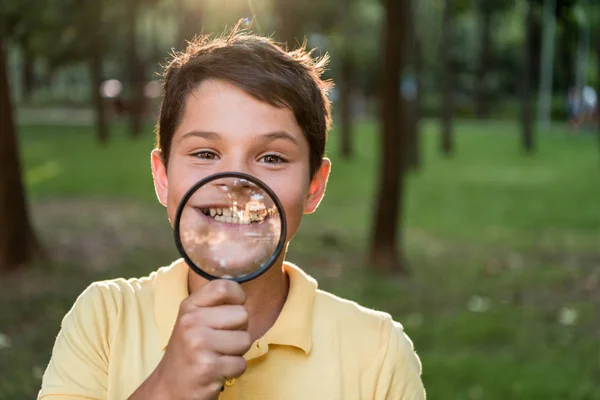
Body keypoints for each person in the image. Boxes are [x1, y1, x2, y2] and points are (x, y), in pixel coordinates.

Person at [38, 26, 426, 400]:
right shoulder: (105, 319)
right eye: (205, 154)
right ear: (162, 177)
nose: (236, 182)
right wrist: (168, 388)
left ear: (314, 186)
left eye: (272, 157)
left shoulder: (378, 354)